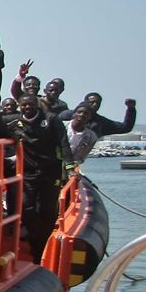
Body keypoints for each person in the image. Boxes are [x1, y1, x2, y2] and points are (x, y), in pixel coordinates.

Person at [11, 92, 71, 258]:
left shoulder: (51, 120)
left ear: (37, 105)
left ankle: (42, 246)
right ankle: (37, 238)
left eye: (30, 104)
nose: (27, 107)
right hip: (28, 172)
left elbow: (63, 142)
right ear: (20, 106)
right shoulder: (17, 121)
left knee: (46, 209)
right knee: (25, 207)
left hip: (50, 171)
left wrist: (70, 166)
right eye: (24, 105)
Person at [66, 91, 137, 137]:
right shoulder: (68, 115)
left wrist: (131, 109)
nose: (95, 105)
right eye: (92, 102)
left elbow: (125, 128)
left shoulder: (100, 122)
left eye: (97, 103)